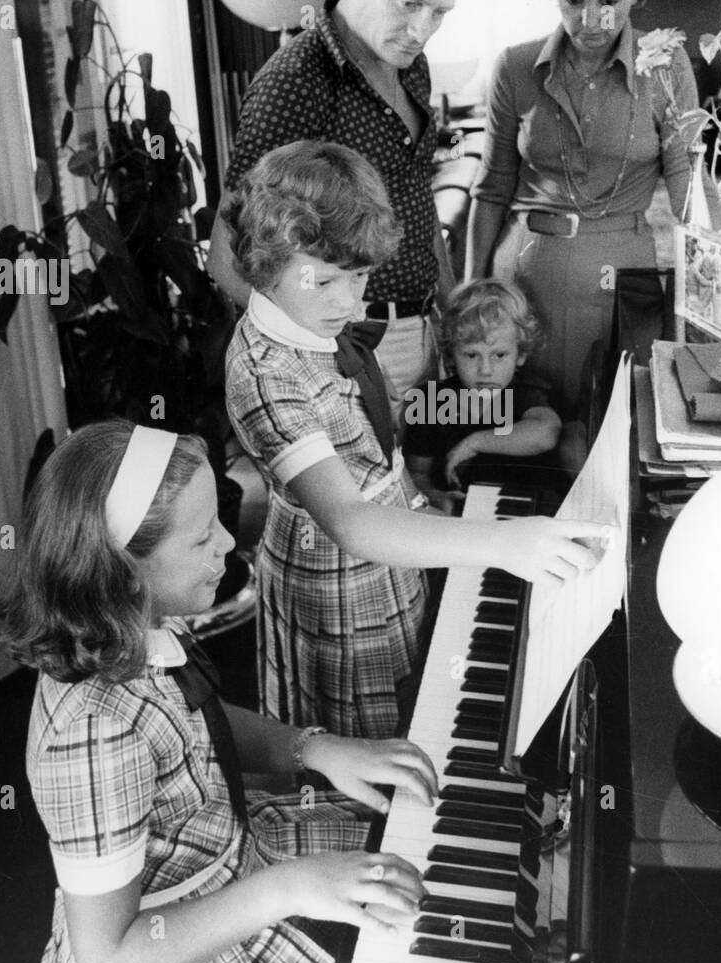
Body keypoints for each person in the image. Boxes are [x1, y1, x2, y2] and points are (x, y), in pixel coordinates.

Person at [0, 420, 436, 963]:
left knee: (409, 851)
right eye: (203, 536)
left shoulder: (133, 628)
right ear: (121, 571)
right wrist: (291, 888)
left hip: (226, 862)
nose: (229, 541)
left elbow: (197, 720)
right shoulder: (93, 733)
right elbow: (110, 961)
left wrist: (309, 746)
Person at [223, 141, 604, 737]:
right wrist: (501, 543)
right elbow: (350, 520)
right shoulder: (268, 375)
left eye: (361, 277)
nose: (350, 302)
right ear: (266, 264)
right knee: (369, 743)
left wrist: (425, 499)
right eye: (325, 281)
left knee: (409, 696)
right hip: (341, 593)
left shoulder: (314, 321)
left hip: (390, 561)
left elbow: (375, 453)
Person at [208, 0, 469, 412]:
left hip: (422, 333)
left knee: (417, 490)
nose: (422, 29)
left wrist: (449, 306)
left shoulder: (411, 66)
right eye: (409, 3)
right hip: (344, 345)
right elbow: (226, 257)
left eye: (439, 12)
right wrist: (325, 351)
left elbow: (417, 200)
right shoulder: (295, 82)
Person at [466, 0, 709, 418]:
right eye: (573, 1)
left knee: (615, 423)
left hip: (625, 275)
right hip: (525, 276)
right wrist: (472, 294)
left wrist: (703, 290)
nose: (590, 20)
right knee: (527, 434)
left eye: (608, 3)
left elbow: (685, 180)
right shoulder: (514, 67)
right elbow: (490, 190)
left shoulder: (667, 67)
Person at [403, 278, 561, 507]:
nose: (485, 370)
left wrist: (475, 442)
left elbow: (546, 433)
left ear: (521, 355)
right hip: (455, 521)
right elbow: (416, 473)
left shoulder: (527, 392)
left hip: (516, 516)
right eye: (471, 355)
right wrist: (435, 497)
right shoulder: (430, 401)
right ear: (451, 355)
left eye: (499, 355)